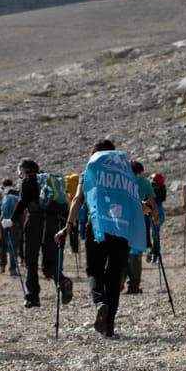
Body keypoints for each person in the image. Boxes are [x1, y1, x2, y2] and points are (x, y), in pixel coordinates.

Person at [55, 140, 146, 338]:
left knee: (94, 270)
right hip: (121, 229)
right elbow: (135, 201)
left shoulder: (91, 169)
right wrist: (147, 210)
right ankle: (109, 326)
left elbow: (79, 199)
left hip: (97, 227)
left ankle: (100, 303)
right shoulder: (126, 173)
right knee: (114, 275)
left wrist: (68, 226)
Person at [11, 160, 68, 307]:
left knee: (31, 259)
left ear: (23, 170)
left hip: (34, 221)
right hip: (52, 223)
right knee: (51, 257)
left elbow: (23, 202)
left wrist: (11, 220)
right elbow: (64, 208)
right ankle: (62, 281)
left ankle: (33, 296)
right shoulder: (51, 181)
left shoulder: (27, 180)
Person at [123, 161, 159, 294]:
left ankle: (118, 281)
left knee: (122, 250)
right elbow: (152, 202)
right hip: (138, 219)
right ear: (140, 171)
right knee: (135, 252)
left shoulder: (121, 180)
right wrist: (155, 218)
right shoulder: (143, 182)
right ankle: (133, 286)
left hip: (120, 220)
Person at [0, 187, 20, 275]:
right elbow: (22, 213)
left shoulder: (4, 199)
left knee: (2, 245)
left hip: (2, 222)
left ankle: (2, 267)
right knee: (13, 247)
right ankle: (12, 269)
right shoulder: (17, 199)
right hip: (14, 223)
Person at [148, 172, 168, 263]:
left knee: (153, 234)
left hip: (152, 210)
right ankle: (155, 253)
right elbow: (163, 199)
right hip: (160, 211)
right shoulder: (162, 187)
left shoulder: (151, 185)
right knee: (156, 233)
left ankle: (153, 253)